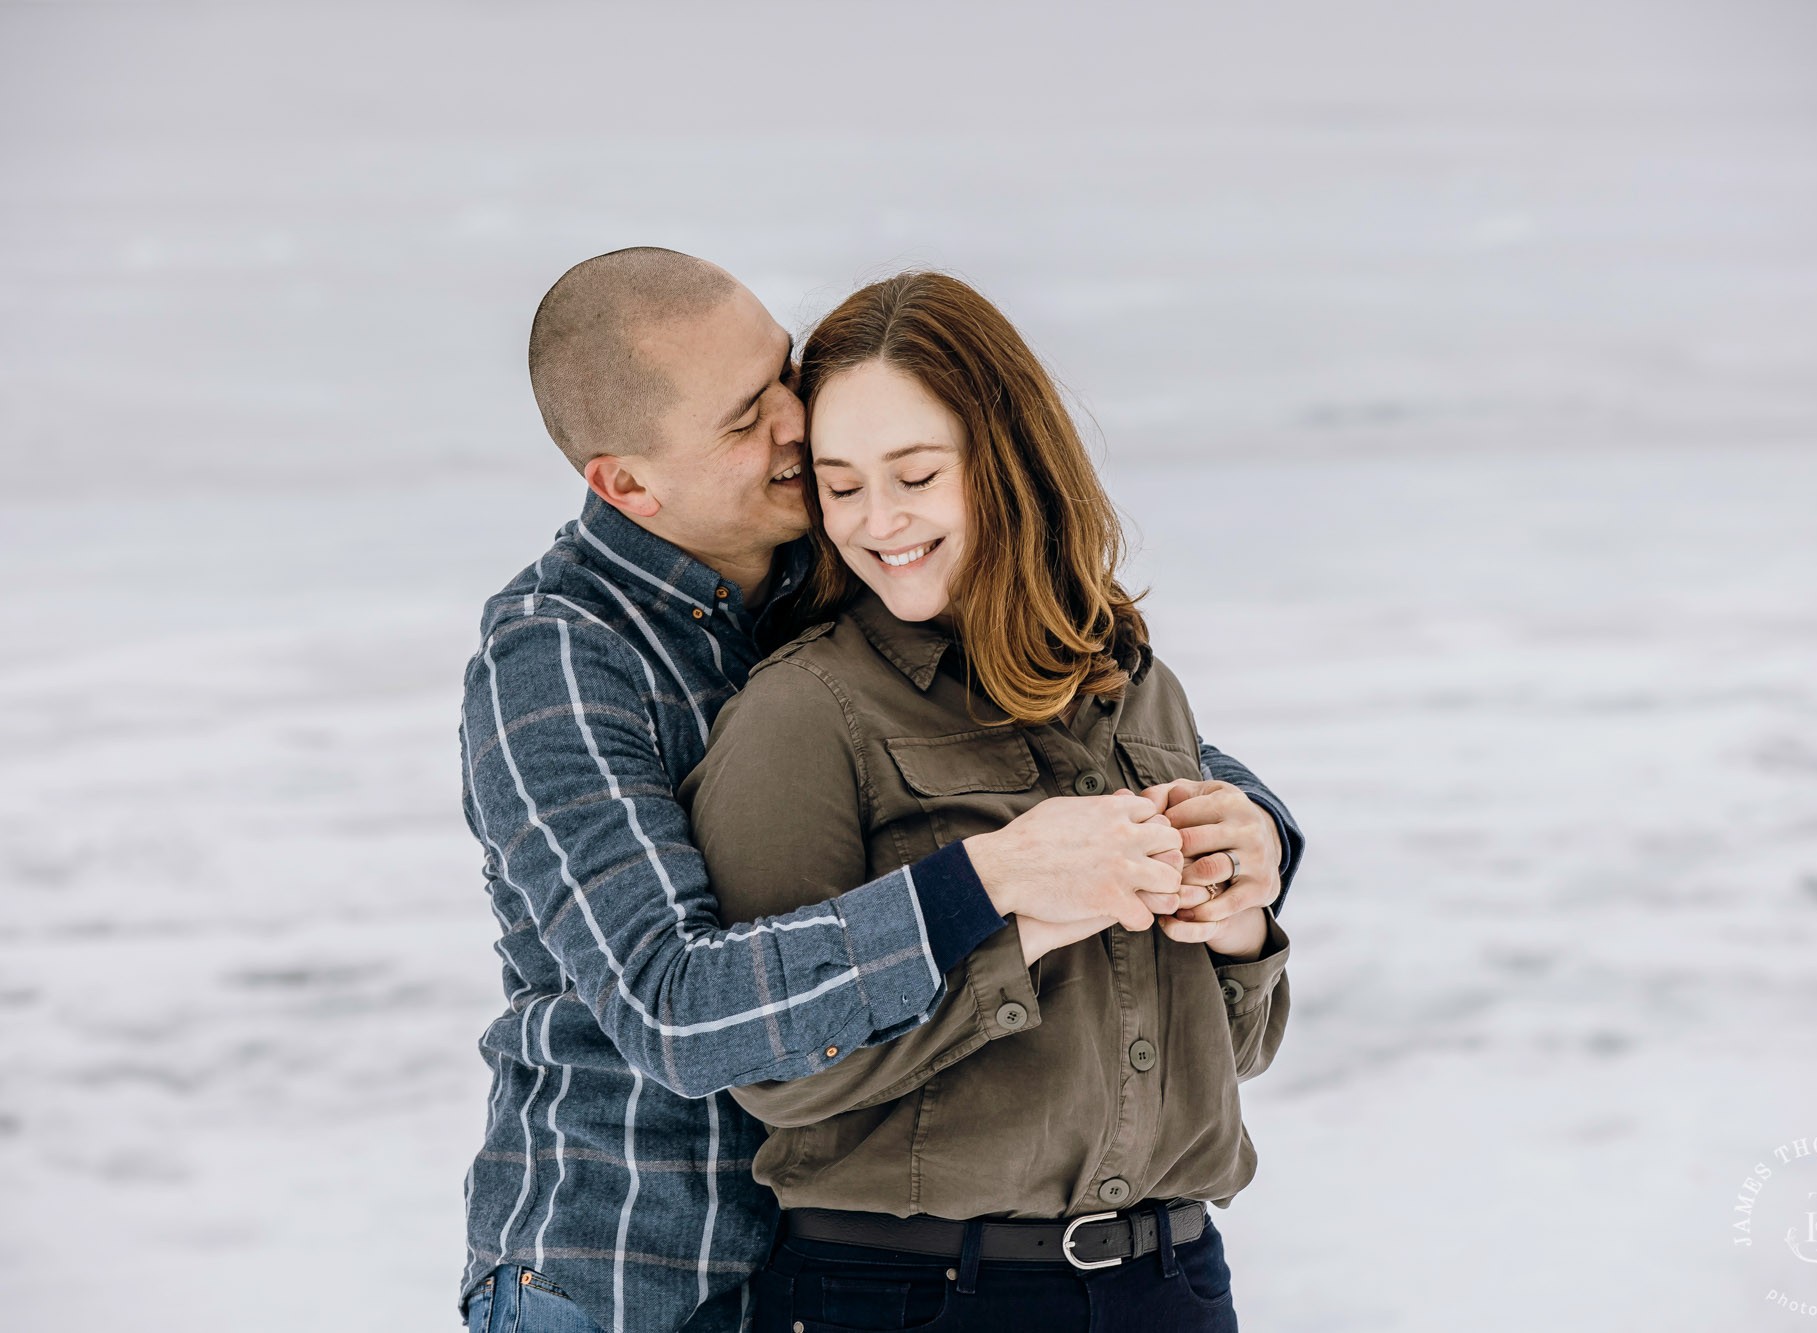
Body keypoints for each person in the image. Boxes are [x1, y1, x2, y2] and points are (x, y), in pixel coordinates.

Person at [458, 249, 1303, 1333]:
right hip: (631, 1273)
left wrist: (1254, 830)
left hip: (850, 1265)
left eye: (782, 375)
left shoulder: (836, 568)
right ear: (627, 484)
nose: (795, 426)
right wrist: (992, 879)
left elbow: (1106, 737)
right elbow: (673, 1011)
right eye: (742, 417)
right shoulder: (562, 660)